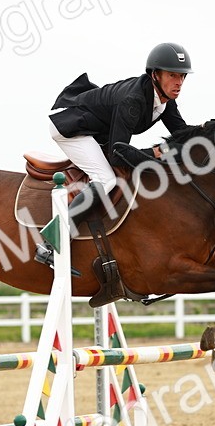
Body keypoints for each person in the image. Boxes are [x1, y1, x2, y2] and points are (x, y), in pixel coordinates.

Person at [34, 42, 194, 267]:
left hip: (95, 127)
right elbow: (118, 153)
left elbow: (182, 134)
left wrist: (209, 138)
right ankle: (50, 242)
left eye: (182, 76)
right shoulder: (134, 100)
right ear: (155, 75)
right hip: (71, 124)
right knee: (106, 179)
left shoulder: (166, 101)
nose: (179, 82)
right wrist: (158, 153)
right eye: (172, 75)